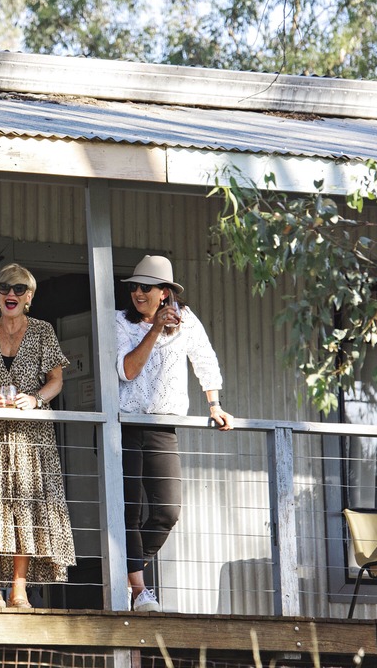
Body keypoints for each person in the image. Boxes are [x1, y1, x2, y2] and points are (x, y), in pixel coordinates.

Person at [115, 254, 234, 612]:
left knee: (167, 510)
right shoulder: (119, 321)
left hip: (164, 425)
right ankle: (139, 592)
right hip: (125, 423)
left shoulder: (187, 320)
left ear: (165, 292)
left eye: (146, 287)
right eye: (134, 286)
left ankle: (126, 571)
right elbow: (127, 372)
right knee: (129, 512)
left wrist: (214, 403)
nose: (138, 292)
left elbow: (205, 359)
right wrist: (153, 329)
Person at [0, 263, 75, 608]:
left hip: (31, 432)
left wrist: (36, 398)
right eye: (5, 288)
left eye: (20, 289)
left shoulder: (43, 331)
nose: (12, 294)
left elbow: (56, 380)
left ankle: (19, 588)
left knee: (26, 506)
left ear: (30, 296)